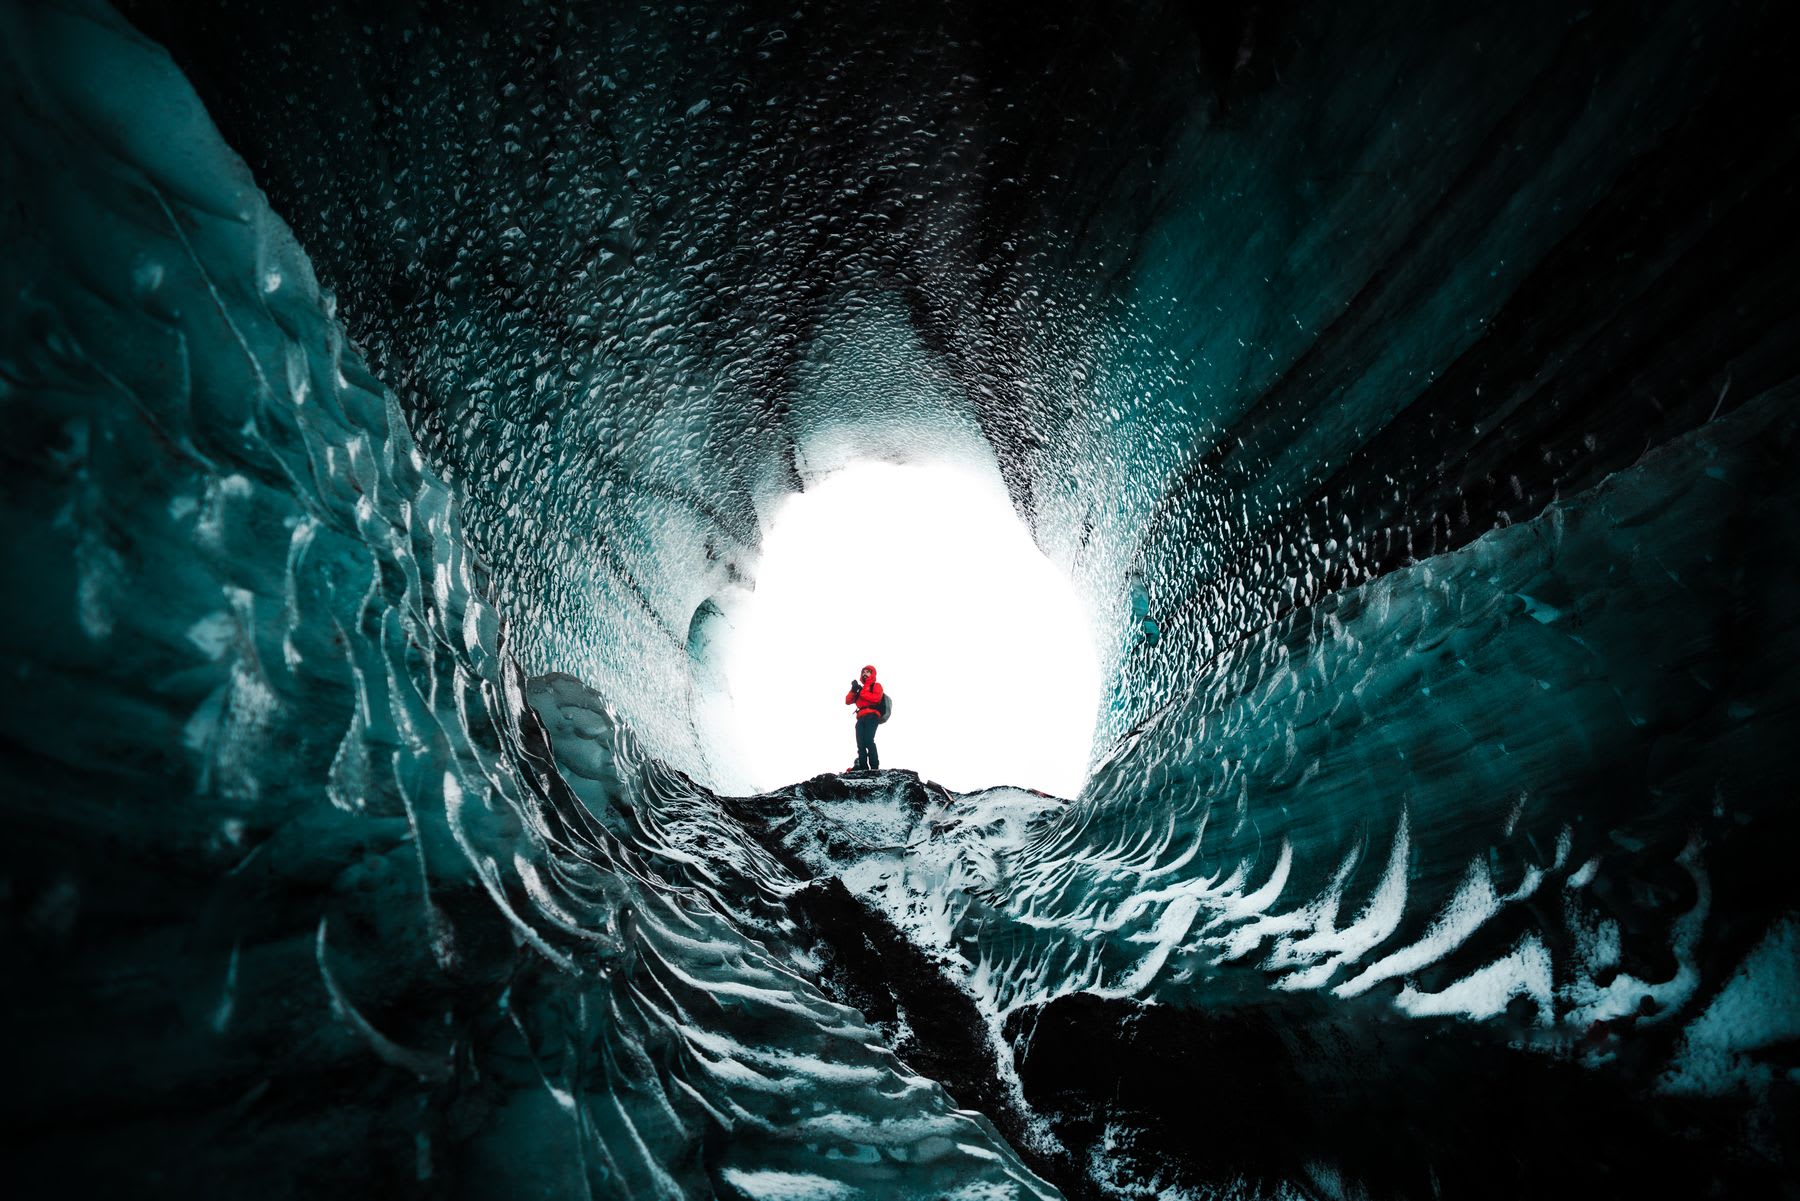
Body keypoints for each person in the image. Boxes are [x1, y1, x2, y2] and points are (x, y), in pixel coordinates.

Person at [844, 664, 884, 771]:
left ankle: (874, 768)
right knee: (860, 743)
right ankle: (863, 768)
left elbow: (876, 698)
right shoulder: (860, 689)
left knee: (868, 740)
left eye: (867, 672)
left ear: (872, 674)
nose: (865, 673)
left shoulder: (876, 686)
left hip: (872, 715)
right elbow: (847, 701)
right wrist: (853, 690)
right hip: (860, 718)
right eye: (863, 672)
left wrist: (861, 691)